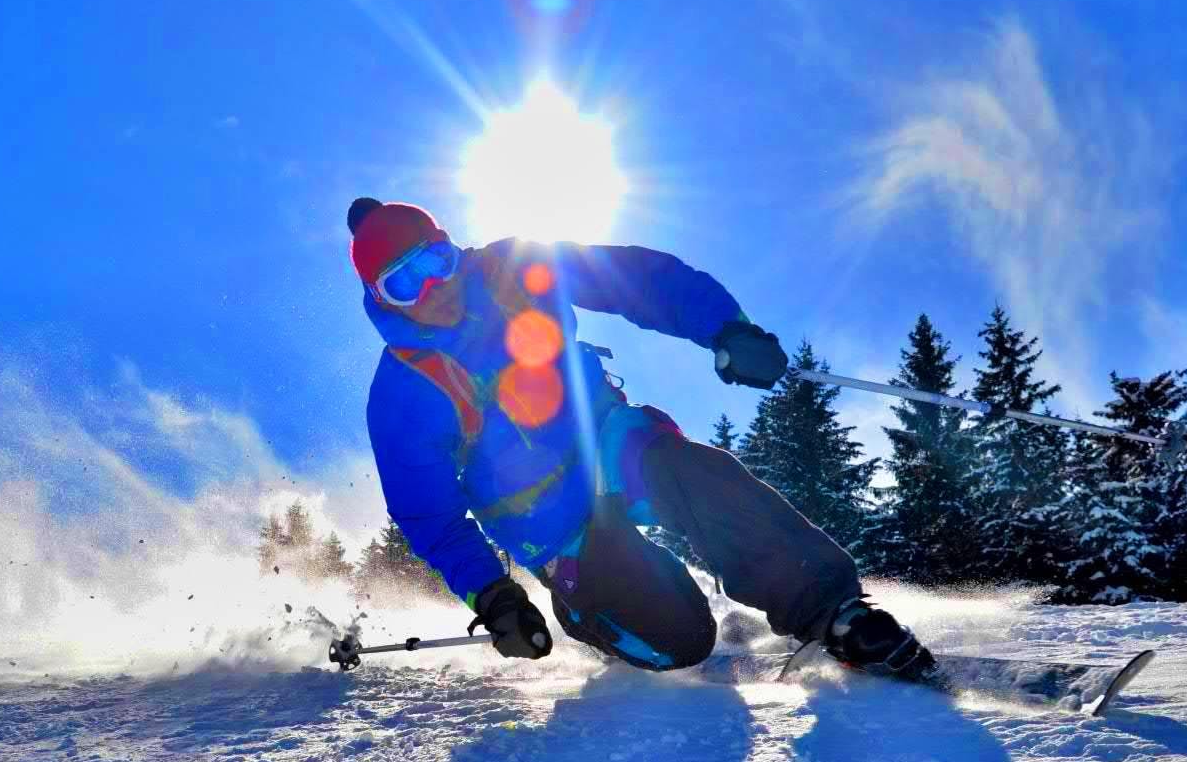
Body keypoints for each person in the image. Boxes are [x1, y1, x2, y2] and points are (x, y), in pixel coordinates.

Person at [349, 197, 936, 681]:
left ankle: (831, 611)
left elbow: (635, 278)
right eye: (406, 282)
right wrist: (494, 595)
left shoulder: (512, 268)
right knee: (683, 641)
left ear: (454, 245)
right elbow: (430, 516)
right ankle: (596, 606)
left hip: (611, 448)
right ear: (381, 297)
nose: (434, 287)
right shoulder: (404, 390)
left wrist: (724, 328)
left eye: (438, 260)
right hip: (554, 529)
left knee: (694, 474)